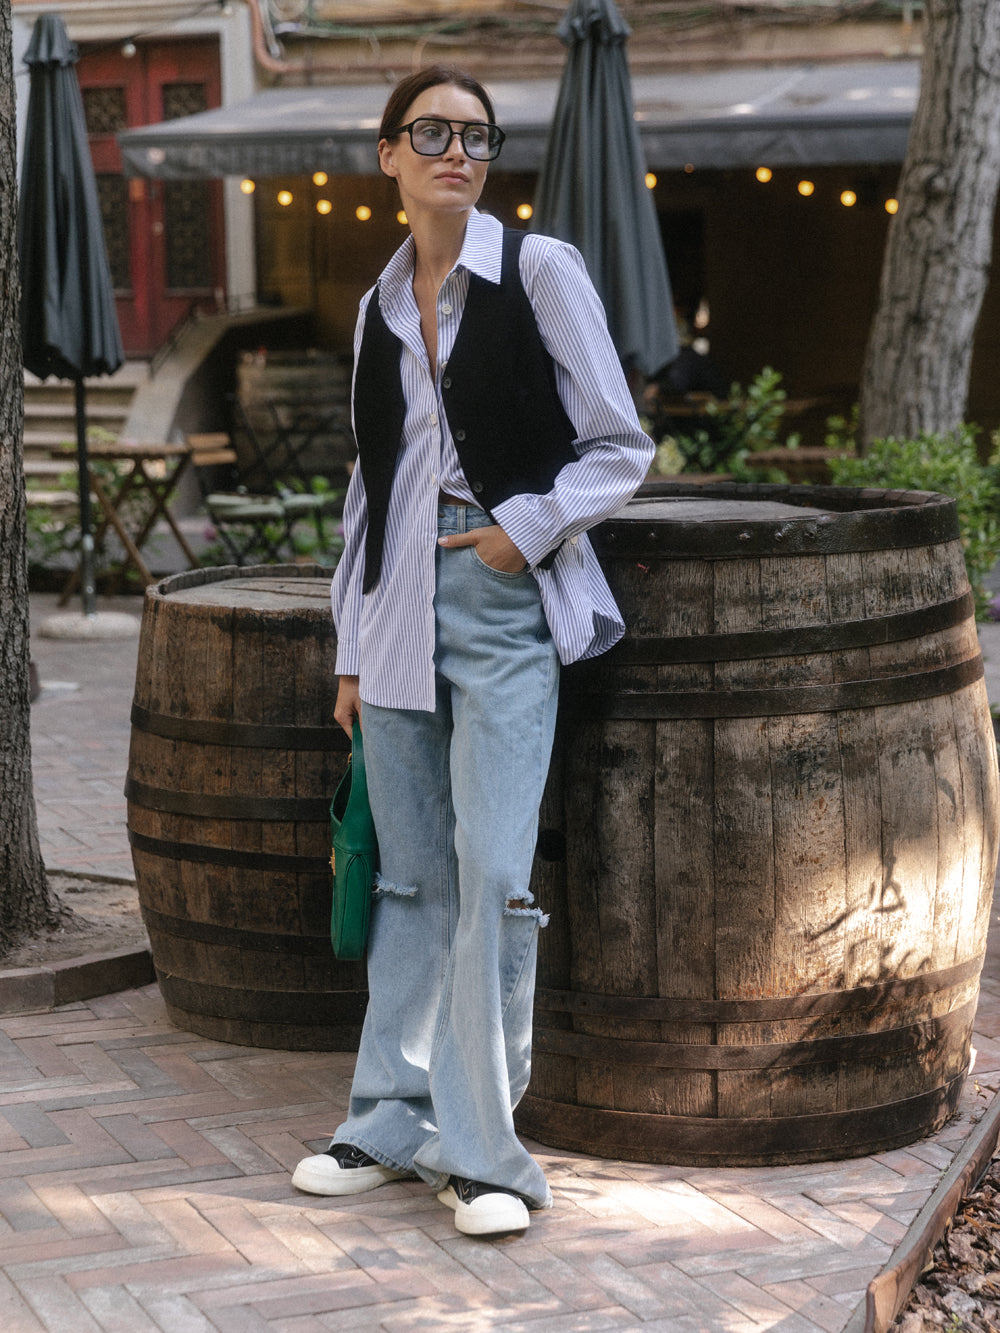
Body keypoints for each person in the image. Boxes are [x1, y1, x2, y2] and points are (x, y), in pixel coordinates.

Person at [291, 64, 653, 1238]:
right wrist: (352, 647)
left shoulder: (540, 270)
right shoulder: (377, 303)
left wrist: (520, 533)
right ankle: (388, 1116)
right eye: (432, 132)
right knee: (407, 877)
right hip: (396, 604)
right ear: (389, 154)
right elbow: (368, 485)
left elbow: (617, 445)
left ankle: (488, 1155)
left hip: (499, 600)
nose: (459, 151)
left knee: (493, 874)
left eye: (478, 135)